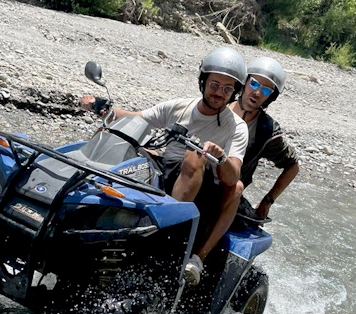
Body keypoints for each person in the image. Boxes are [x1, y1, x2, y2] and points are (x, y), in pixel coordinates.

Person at [81, 47, 249, 286]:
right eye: (214, 85)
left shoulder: (236, 127)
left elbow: (233, 176)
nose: (219, 93)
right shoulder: (180, 107)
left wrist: (220, 157)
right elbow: (139, 117)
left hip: (204, 187)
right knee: (129, 153)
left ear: (234, 93)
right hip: (166, 168)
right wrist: (101, 107)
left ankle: (170, 241)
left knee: (195, 157)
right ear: (203, 82)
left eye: (227, 89)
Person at [228, 56, 299, 221]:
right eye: (254, 83)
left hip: (229, 192)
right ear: (244, 82)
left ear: (271, 97)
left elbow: (293, 165)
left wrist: (268, 201)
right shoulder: (219, 104)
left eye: (266, 90)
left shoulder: (267, 131)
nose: (258, 92)